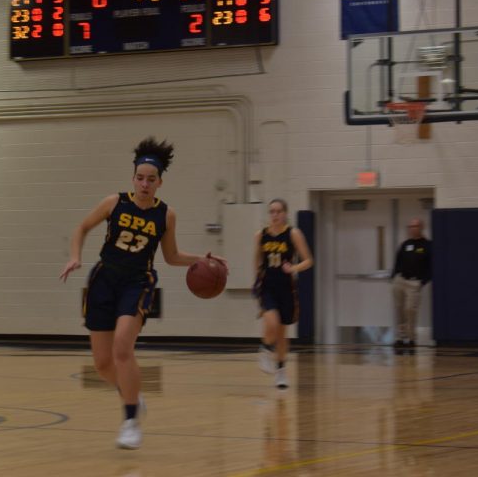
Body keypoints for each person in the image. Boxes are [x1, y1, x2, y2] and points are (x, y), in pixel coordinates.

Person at [60, 137, 225, 450]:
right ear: (132, 178)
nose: (144, 184)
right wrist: (74, 255)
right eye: (140, 177)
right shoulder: (114, 203)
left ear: (160, 182)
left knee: (123, 347)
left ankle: (130, 420)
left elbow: (172, 256)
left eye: (151, 179)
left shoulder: (166, 215)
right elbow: (81, 228)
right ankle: (133, 395)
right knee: (103, 364)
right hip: (103, 279)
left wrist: (202, 260)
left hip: (138, 281)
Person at [253, 199, 313, 389]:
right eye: (272, 211)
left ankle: (280, 372)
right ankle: (264, 351)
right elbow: (257, 261)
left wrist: (294, 267)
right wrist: (257, 282)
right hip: (268, 287)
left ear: (285, 213)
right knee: (271, 322)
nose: (275, 215)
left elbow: (309, 260)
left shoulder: (293, 233)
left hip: (287, 288)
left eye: (279, 211)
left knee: (281, 334)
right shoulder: (260, 235)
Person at [391, 218, 431, 348]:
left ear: (421, 228)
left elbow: (432, 267)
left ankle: (411, 338)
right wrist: (394, 277)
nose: (412, 229)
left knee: (410, 310)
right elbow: (398, 261)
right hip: (400, 280)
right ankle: (400, 337)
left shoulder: (427, 245)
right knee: (399, 309)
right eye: (410, 226)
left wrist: (423, 282)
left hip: (414, 283)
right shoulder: (405, 244)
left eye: (415, 226)